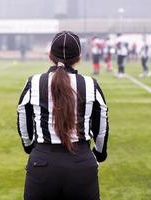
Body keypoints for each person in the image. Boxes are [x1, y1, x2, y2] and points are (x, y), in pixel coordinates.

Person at [17, 31, 109, 200]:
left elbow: (22, 114)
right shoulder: (90, 84)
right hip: (81, 162)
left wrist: (29, 146)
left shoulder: (34, 82)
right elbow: (101, 122)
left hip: (43, 162)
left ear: (50, 55)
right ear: (79, 57)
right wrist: (100, 153)